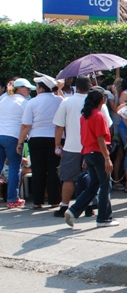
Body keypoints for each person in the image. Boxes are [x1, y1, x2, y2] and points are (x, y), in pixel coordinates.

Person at [54, 76, 107, 218]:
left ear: (76, 87)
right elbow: (107, 125)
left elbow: (59, 125)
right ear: (90, 86)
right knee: (91, 179)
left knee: (68, 177)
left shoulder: (67, 101)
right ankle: (89, 206)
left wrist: (57, 143)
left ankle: (64, 205)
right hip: (91, 147)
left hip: (71, 145)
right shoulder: (98, 102)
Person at [64, 87, 117, 228]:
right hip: (98, 153)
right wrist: (107, 158)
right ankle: (104, 218)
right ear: (102, 100)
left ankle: (73, 210)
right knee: (105, 185)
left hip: (88, 152)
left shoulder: (84, 116)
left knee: (93, 185)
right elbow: (100, 138)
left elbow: (85, 137)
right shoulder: (98, 115)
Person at [19, 74, 64, 209]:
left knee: (38, 170)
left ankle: (37, 201)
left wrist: (20, 142)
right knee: (53, 170)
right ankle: (55, 200)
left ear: (41, 89)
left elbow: (26, 124)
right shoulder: (59, 100)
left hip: (36, 138)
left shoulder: (32, 102)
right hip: (55, 138)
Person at [0, 79, 34, 208]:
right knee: (15, 167)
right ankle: (12, 199)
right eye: (27, 88)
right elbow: (27, 123)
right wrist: (21, 141)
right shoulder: (24, 102)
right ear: (19, 88)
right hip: (13, 137)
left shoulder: (3, 99)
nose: (29, 91)